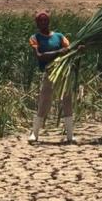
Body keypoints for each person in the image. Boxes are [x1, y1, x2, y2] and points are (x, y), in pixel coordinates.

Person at [28, 12, 79, 143]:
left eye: (45, 20)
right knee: (44, 101)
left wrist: (79, 49)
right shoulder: (35, 38)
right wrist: (57, 52)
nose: (43, 23)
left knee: (67, 101)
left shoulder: (59, 36)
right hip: (49, 72)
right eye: (40, 21)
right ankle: (35, 134)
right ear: (37, 23)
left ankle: (70, 135)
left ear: (49, 22)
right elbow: (39, 55)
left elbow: (69, 49)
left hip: (62, 73)